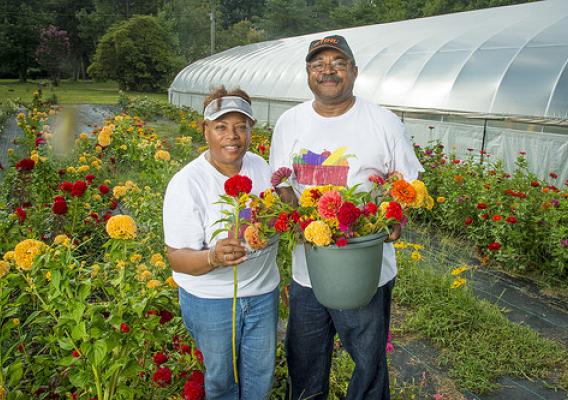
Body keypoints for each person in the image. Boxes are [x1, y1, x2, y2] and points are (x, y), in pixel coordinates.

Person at [269, 35, 424, 399]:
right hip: (309, 271)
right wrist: (296, 213)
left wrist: (395, 214)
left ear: (353, 71)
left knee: (368, 364)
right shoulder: (290, 122)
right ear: (308, 73)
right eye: (318, 64)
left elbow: (410, 182)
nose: (327, 70)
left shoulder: (383, 122)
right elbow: (281, 182)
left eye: (337, 62)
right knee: (304, 362)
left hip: (366, 271)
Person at [163, 86, 280, 400]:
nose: (233, 135)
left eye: (241, 127)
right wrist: (213, 257)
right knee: (220, 381)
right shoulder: (187, 183)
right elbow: (176, 257)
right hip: (211, 301)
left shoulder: (261, 168)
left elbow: (277, 216)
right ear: (205, 131)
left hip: (262, 294)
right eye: (221, 127)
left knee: (260, 374)